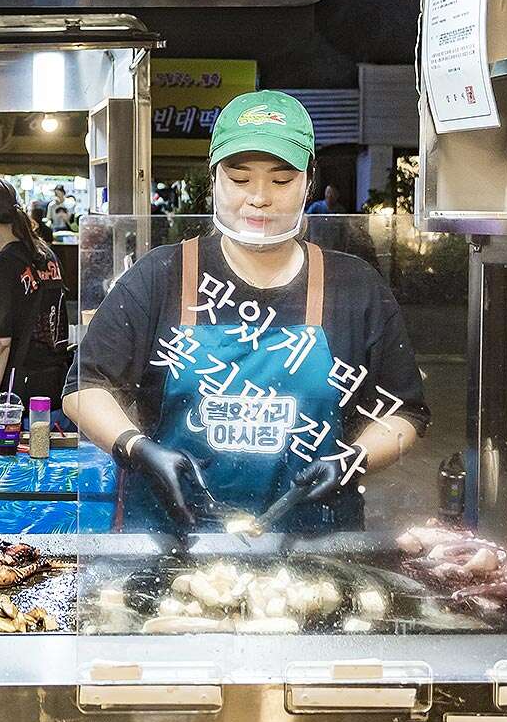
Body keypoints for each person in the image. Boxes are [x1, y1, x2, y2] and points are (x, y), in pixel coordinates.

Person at [63, 90, 429, 534]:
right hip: (172, 546)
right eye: (239, 179)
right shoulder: (161, 275)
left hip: (314, 549)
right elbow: (85, 387)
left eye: (281, 181)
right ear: (213, 179)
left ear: (308, 183)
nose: (259, 198)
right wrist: (136, 447)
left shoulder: (355, 287)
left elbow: (404, 412)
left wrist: (355, 459)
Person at [0, 179, 73, 431]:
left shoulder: (0, 266)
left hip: (15, 407)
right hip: (56, 396)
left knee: (15, 472)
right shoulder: (46, 256)